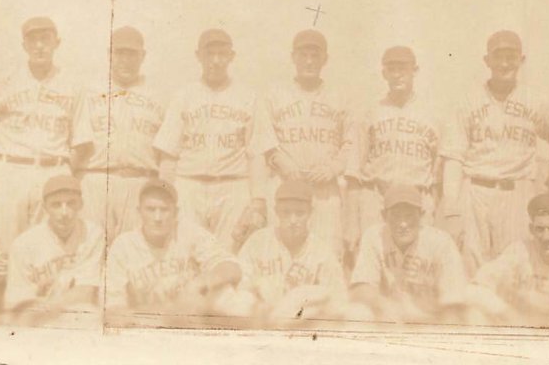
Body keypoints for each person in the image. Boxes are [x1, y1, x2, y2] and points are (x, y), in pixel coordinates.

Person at [0, 16, 92, 308]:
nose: (40, 45)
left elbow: (83, 143)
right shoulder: (4, 81)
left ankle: (39, 332)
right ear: (24, 44)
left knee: (46, 256)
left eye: (46, 39)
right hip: (8, 169)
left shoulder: (73, 85)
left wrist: (61, 174)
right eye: (33, 39)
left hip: (52, 171)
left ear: (56, 43)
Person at [439, 30, 549, 274]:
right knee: (469, 263)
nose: (504, 63)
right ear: (486, 60)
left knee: (515, 265)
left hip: (517, 192)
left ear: (522, 60)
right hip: (475, 190)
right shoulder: (466, 101)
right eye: (498, 57)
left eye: (511, 56)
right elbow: (453, 158)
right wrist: (452, 209)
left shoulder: (537, 100)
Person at [153, 29, 276, 252]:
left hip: (233, 186)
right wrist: (165, 195)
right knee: (184, 251)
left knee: (229, 252)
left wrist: (258, 199)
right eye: (210, 54)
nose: (216, 61)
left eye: (222, 54)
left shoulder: (249, 97)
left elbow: (257, 153)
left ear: (232, 56)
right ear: (198, 55)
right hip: (189, 185)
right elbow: (168, 155)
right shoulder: (183, 96)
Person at [345, 46, 440, 264]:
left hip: (417, 199)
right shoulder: (369, 112)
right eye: (392, 69)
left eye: (403, 68)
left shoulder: (433, 114)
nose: (397, 74)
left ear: (414, 71)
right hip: (376, 197)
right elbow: (352, 173)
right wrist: (351, 223)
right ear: (384, 73)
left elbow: (439, 176)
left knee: (419, 265)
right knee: (374, 261)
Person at [264, 30, 354, 259]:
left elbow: (351, 143)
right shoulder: (275, 94)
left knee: (328, 254)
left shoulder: (340, 95)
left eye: (315, 55)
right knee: (280, 253)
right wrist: (282, 162)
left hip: (324, 188)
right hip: (286, 184)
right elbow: (264, 140)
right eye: (303, 55)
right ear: (293, 57)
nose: (309, 61)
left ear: (325, 59)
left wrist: (333, 168)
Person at [105, 178, 245, 318]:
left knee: (227, 295)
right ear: (139, 211)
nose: (157, 217)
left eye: (164, 210)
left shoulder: (190, 233)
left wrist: (202, 282)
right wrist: (169, 312)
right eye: (151, 209)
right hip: (145, 324)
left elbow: (232, 267)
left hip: (192, 320)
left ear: (176, 212)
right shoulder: (123, 246)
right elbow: (113, 307)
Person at [75, 26, 164, 240]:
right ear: (109, 55)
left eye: (132, 54)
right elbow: (77, 145)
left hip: (139, 182)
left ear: (143, 56)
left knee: (134, 252)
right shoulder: (88, 92)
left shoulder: (159, 96)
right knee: (91, 247)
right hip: (95, 181)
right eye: (120, 53)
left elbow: (166, 155)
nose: (125, 60)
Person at [468, 194, 549, 329]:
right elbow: (477, 287)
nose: (546, 237)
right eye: (540, 229)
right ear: (531, 229)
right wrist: (505, 312)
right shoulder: (519, 251)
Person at [349, 185, 467, 324]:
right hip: (389, 317)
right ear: (384, 216)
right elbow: (361, 288)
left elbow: (455, 298)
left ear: (421, 215)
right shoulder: (374, 236)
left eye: (409, 215)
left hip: (431, 319)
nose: (403, 224)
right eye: (396, 216)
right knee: (358, 313)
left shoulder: (441, 242)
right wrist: (384, 306)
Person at [238, 180, 347, 324]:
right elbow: (241, 288)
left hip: (304, 326)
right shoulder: (258, 242)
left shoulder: (322, 252)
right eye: (286, 212)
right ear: (276, 211)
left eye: (300, 213)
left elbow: (338, 300)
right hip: (261, 320)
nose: (293, 220)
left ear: (310, 213)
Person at [5, 175, 104, 326]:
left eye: (71, 204)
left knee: (89, 314)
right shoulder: (23, 244)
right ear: (45, 208)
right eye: (56, 205)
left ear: (81, 204)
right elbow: (18, 302)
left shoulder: (93, 234)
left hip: (74, 315)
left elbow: (86, 292)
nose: (64, 212)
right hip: (36, 319)